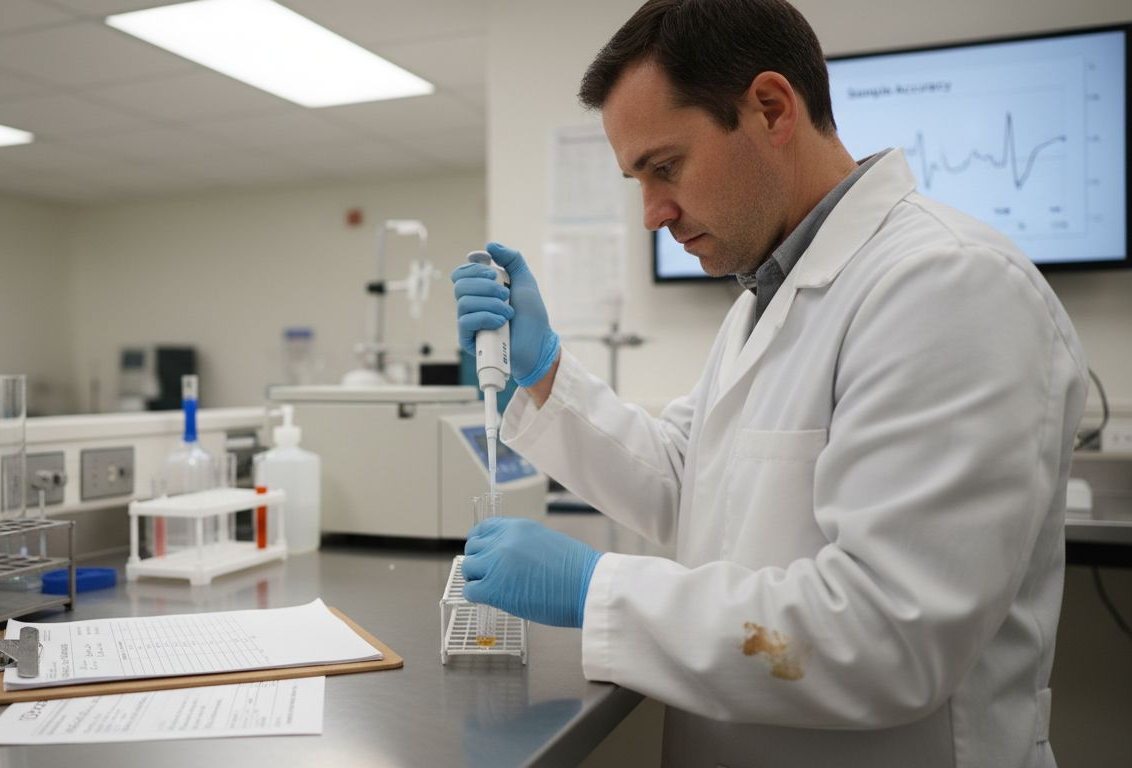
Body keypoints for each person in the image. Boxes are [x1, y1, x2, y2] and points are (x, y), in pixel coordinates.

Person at [451, 1, 1087, 765]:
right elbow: (689, 480)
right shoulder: (768, 294)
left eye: (665, 166)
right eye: (637, 180)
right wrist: (544, 369)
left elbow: (886, 636)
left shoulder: (952, 286)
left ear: (771, 109)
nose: (653, 213)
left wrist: (597, 590)